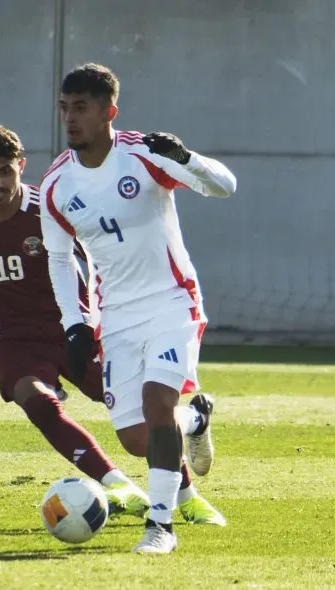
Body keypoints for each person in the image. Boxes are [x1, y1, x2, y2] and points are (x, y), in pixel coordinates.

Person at [0, 124, 225, 527]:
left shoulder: (50, 207)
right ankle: (116, 484)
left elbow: (99, 254)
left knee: (145, 426)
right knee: (37, 401)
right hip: (14, 340)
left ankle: (188, 490)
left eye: (5, 171)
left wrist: (95, 319)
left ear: (21, 167)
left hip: (74, 331)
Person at [41, 63, 237, 554]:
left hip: (172, 301)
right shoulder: (56, 185)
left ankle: (161, 527)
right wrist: (75, 325)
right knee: (136, 437)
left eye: (81, 107)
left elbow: (225, 186)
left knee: (157, 404)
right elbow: (60, 257)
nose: (70, 118)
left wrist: (187, 158)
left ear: (110, 111)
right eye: (65, 107)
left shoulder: (145, 153)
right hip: (118, 317)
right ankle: (196, 422)